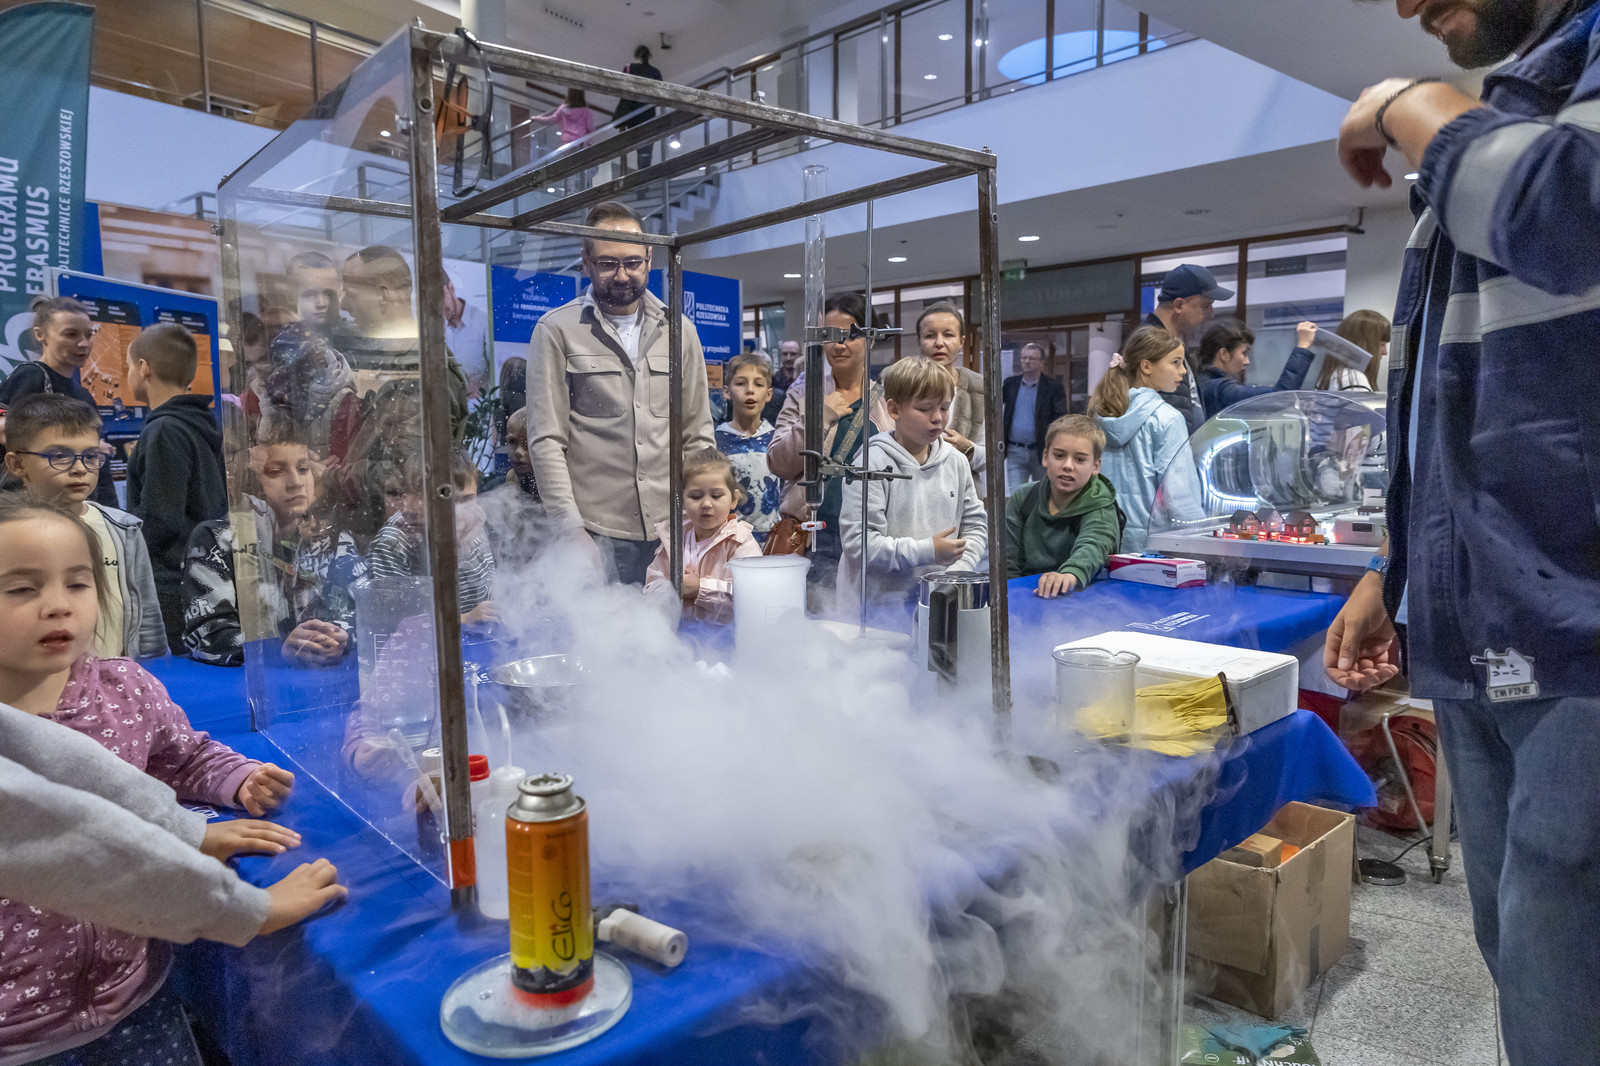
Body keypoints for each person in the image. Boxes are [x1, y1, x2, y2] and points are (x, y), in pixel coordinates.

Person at [1325, 5, 1600, 1063]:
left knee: (1566, 974)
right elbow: (1457, 409)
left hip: (1576, 627)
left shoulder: (1469, 127)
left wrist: (1412, 105)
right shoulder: (1511, 116)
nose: (1404, 5)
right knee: (1526, 962)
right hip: (1492, 628)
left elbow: (1569, 212)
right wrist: (1396, 569)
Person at [0, 494, 317, 1063]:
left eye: (78, 583)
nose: (58, 606)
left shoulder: (124, 688)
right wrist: (235, 899)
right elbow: (63, 837)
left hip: (135, 1000)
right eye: (21, 589)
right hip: (19, 1037)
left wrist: (237, 777)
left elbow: (183, 757)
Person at [0, 696, 346, 1066]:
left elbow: (63, 763)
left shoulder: (120, 686)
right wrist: (245, 910)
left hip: (132, 997)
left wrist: (187, 830)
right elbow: (66, 847)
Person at [526, 201, 715, 585]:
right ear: (586, 262)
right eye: (608, 263)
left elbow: (697, 434)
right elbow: (546, 440)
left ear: (649, 259)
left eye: (632, 262)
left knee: (676, 625)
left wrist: (704, 515)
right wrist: (570, 529)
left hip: (673, 528)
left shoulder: (681, 331)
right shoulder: (556, 330)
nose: (622, 274)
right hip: (596, 533)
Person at [182, 425, 365, 667]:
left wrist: (340, 635)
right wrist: (278, 648)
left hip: (327, 677)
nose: (296, 483)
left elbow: (365, 607)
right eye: (276, 472)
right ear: (252, 483)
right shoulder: (216, 539)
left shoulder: (333, 539)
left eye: (303, 469)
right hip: (245, 682)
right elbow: (208, 633)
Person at [3, 395, 168, 660]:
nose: (80, 468)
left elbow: (147, 619)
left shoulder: (123, 529)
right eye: (60, 456)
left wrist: (152, 670)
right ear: (18, 464)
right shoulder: (7, 533)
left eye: (91, 456)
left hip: (114, 677)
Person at [837, 356, 986, 611]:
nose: (938, 418)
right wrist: (927, 551)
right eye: (925, 409)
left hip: (940, 598)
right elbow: (859, 544)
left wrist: (954, 575)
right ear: (895, 410)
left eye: (944, 408)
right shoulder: (871, 463)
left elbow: (975, 526)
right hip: (875, 606)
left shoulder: (956, 461)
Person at [768, 292, 892, 586]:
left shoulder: (888, 401)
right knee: (812, 612)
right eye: (830, 335)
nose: (839, 344)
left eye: (850, 334)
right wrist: (819, 417)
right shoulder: (803, 394)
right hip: (814, 536)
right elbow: (778, 462)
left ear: (871, 340)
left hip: (871, 536)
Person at [124, 323, 228, 647]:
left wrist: (116, 535)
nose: (128, 374)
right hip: (200, 578)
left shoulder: (165, 430)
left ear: (143, 368)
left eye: (129, 367)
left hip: (171, 586)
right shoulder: (196, 425)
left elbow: (160, 518)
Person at [0, 296, 118, 508]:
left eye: (88, 335)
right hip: (32, 506)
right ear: (40, 335)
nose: (83, 343)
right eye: (70, 334)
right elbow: (6, 430)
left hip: (78, 506)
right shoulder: (31, 376)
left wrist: (108, 513)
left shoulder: (83, 395)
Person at [1088, 326, 1197, 552]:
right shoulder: (1168, 419)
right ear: (1146, 366)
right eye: (1176, 362)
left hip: (1099, 539)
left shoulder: (1100, 414)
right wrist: (1199, 537)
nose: (1183, 371)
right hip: (1150, 546)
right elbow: (1178, 495)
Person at [368, 453, 498, 625]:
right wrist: (465, 619)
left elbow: (490, 591)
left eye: (467, 500)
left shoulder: (473, 524)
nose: (460, 512)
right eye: (449, 500)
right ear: (415, 498)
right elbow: (393, 620)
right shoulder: (393, 543)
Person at [1005, 414, 1121, 599]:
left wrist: (1070, 574)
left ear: (1095, 466)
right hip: (1026, 597)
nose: (1068, 466)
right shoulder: (1022, 498)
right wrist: (1013, 601)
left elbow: (1094, 545)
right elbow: (1008, 564)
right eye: (1059, 456)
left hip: (1082, 598)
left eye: (1080, 459)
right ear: (1045, 457)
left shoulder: (1101, 506)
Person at [644, 447, 760, 624]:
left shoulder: (741, 543)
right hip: (678, 636)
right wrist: (671, 589)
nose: (706, 504)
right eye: (696, 496)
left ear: (734, 499)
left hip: (725, 638)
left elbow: (751, 596)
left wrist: (700, 588)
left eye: (716, 495)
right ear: (682, 500)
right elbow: (651, 588)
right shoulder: (673, 539)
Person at [1143, 264, 1234, 432]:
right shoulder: (1148, 347)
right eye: (1206, 306)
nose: (1211, 313)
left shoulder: (1173, 346)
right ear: (1179, 305)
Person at [915, 303, 986, 483]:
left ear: (961, 341)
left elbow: (991, 455)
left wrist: (968, 449)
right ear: (919, 341)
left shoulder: (979, 389)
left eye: (948, 335)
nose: (939, 343)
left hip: (962, 488)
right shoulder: (899, 386)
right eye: (930, 335)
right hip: (911, 487)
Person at [715, 351, 781, 544]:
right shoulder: (716, 441)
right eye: (740, 383)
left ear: (769, 394)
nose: (750, 390)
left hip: (771, 542)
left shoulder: (777, 439)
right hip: (729, 542)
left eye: (758, 384)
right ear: (727, 391)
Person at [1194, 320, 1318, 420]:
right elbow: (1281, 396)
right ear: (1224, 354)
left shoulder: (1205, 382)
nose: (1247, 362)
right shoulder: (1220, 390)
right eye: (1244, 353)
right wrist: (1303, 346)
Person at [1001, 342, 1068, 492]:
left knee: (1042, 493)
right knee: (1017, 495)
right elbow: (996, 410)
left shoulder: (1053, 387)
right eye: (1023, 358)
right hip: (1015, 450)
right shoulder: (1010, 384)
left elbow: (1060, 417)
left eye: (1031, 358)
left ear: (1041, 362)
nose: (1026, 361)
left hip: (1041, 450)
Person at [614, 45, 665, 169]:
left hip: (633, 114)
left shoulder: (628, 68)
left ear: (636, 56)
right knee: (646, 149)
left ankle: (641, 174)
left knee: (638, 146)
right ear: (649, 57)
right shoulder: (655, 72)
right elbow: (661, 95)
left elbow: (622, 90)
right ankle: (645, 173)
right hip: (648, 114)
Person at [443, 270, 492, 398]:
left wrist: (481, 384)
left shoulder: (484, 321)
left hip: (479, 402)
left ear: (451, 288)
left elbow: (495, 366)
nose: (440, 308)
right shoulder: (437, 328)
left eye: (442, 298)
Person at [1316, 310, 1389, 392]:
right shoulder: (1353, 379)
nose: (1385, 352)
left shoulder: (1332, 375)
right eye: (1382, 344)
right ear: (1364, 344)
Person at [285, 250, 348, 340]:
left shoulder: (355, 335)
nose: (321, 303)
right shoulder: (287, 342)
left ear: (340, 295)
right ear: (290, 297)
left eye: (329, 294)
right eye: (310, 294)